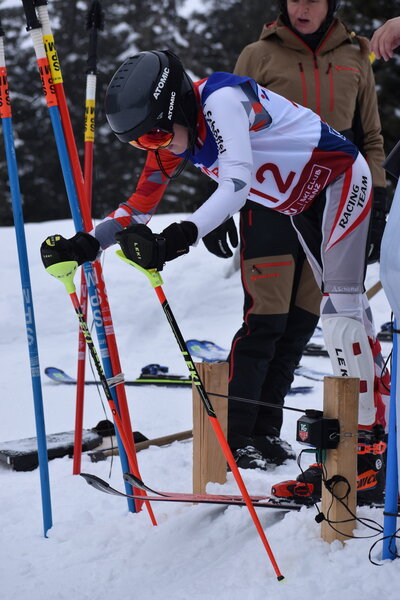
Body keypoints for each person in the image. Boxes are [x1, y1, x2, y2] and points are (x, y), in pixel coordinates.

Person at [41, 49, 389, 504]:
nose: (157, 148)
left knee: (340, 313)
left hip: (340, 177)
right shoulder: (173, 134)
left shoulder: (221, 100)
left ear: (177, 106)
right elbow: (138, 208)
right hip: (303, 202)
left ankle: (366, 453)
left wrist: (181, 235)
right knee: (347, 311)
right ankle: (372, 438)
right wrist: (87, 244)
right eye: (142, 144)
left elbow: (237, 184)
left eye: (157, 136)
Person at [201, 0, 390, 483]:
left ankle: (267, 430)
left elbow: (369, 131)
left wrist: (379, 191)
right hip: (266, 200)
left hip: (335, 194)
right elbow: (219, 133)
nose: (302, 6)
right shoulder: (258, 54)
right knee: (266, 318)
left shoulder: (356, 55)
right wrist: (220, 204)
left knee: (307, 320)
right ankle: (238, 434)